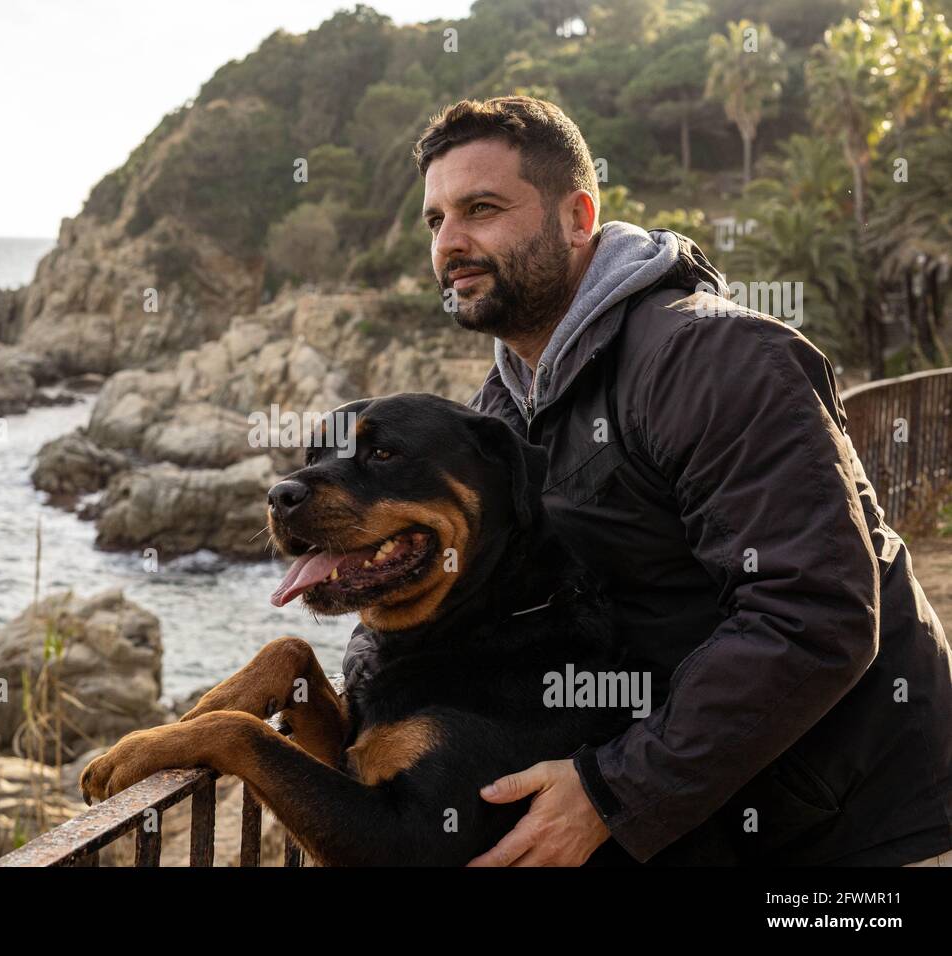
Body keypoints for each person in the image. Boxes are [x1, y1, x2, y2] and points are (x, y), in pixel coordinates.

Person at [342, 95, 952, 866]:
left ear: (577, 216)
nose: (450, 244)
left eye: (482, 208)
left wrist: (612, 793)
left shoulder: (715, 358)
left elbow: (814, 612)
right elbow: (489, 599)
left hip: (864, 827)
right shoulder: (500, 413)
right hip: (715, 816)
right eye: (435, 221)